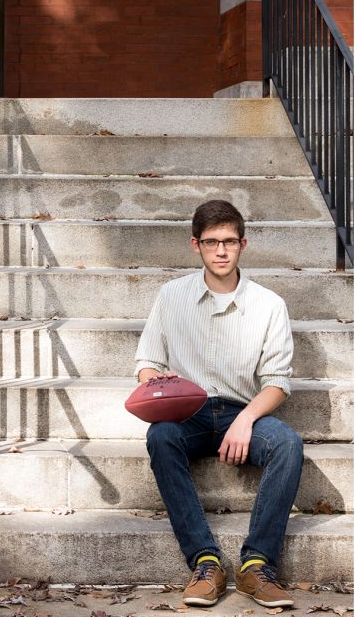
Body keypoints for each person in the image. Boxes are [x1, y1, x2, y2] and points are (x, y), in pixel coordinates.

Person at [136, 200, 300, 609]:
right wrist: (153, 382)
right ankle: (206, 561)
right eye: (212, 243)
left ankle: (256, 566)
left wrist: (246, 419)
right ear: (196, 245)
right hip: (185, 412)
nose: (221, 251)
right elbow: (147, 361)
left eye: (229, 242)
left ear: (243, 243)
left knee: (288, 444)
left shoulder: (269, 304)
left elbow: (278, 382)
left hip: (242, 412)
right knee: (160, 437)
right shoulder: (171, 296)